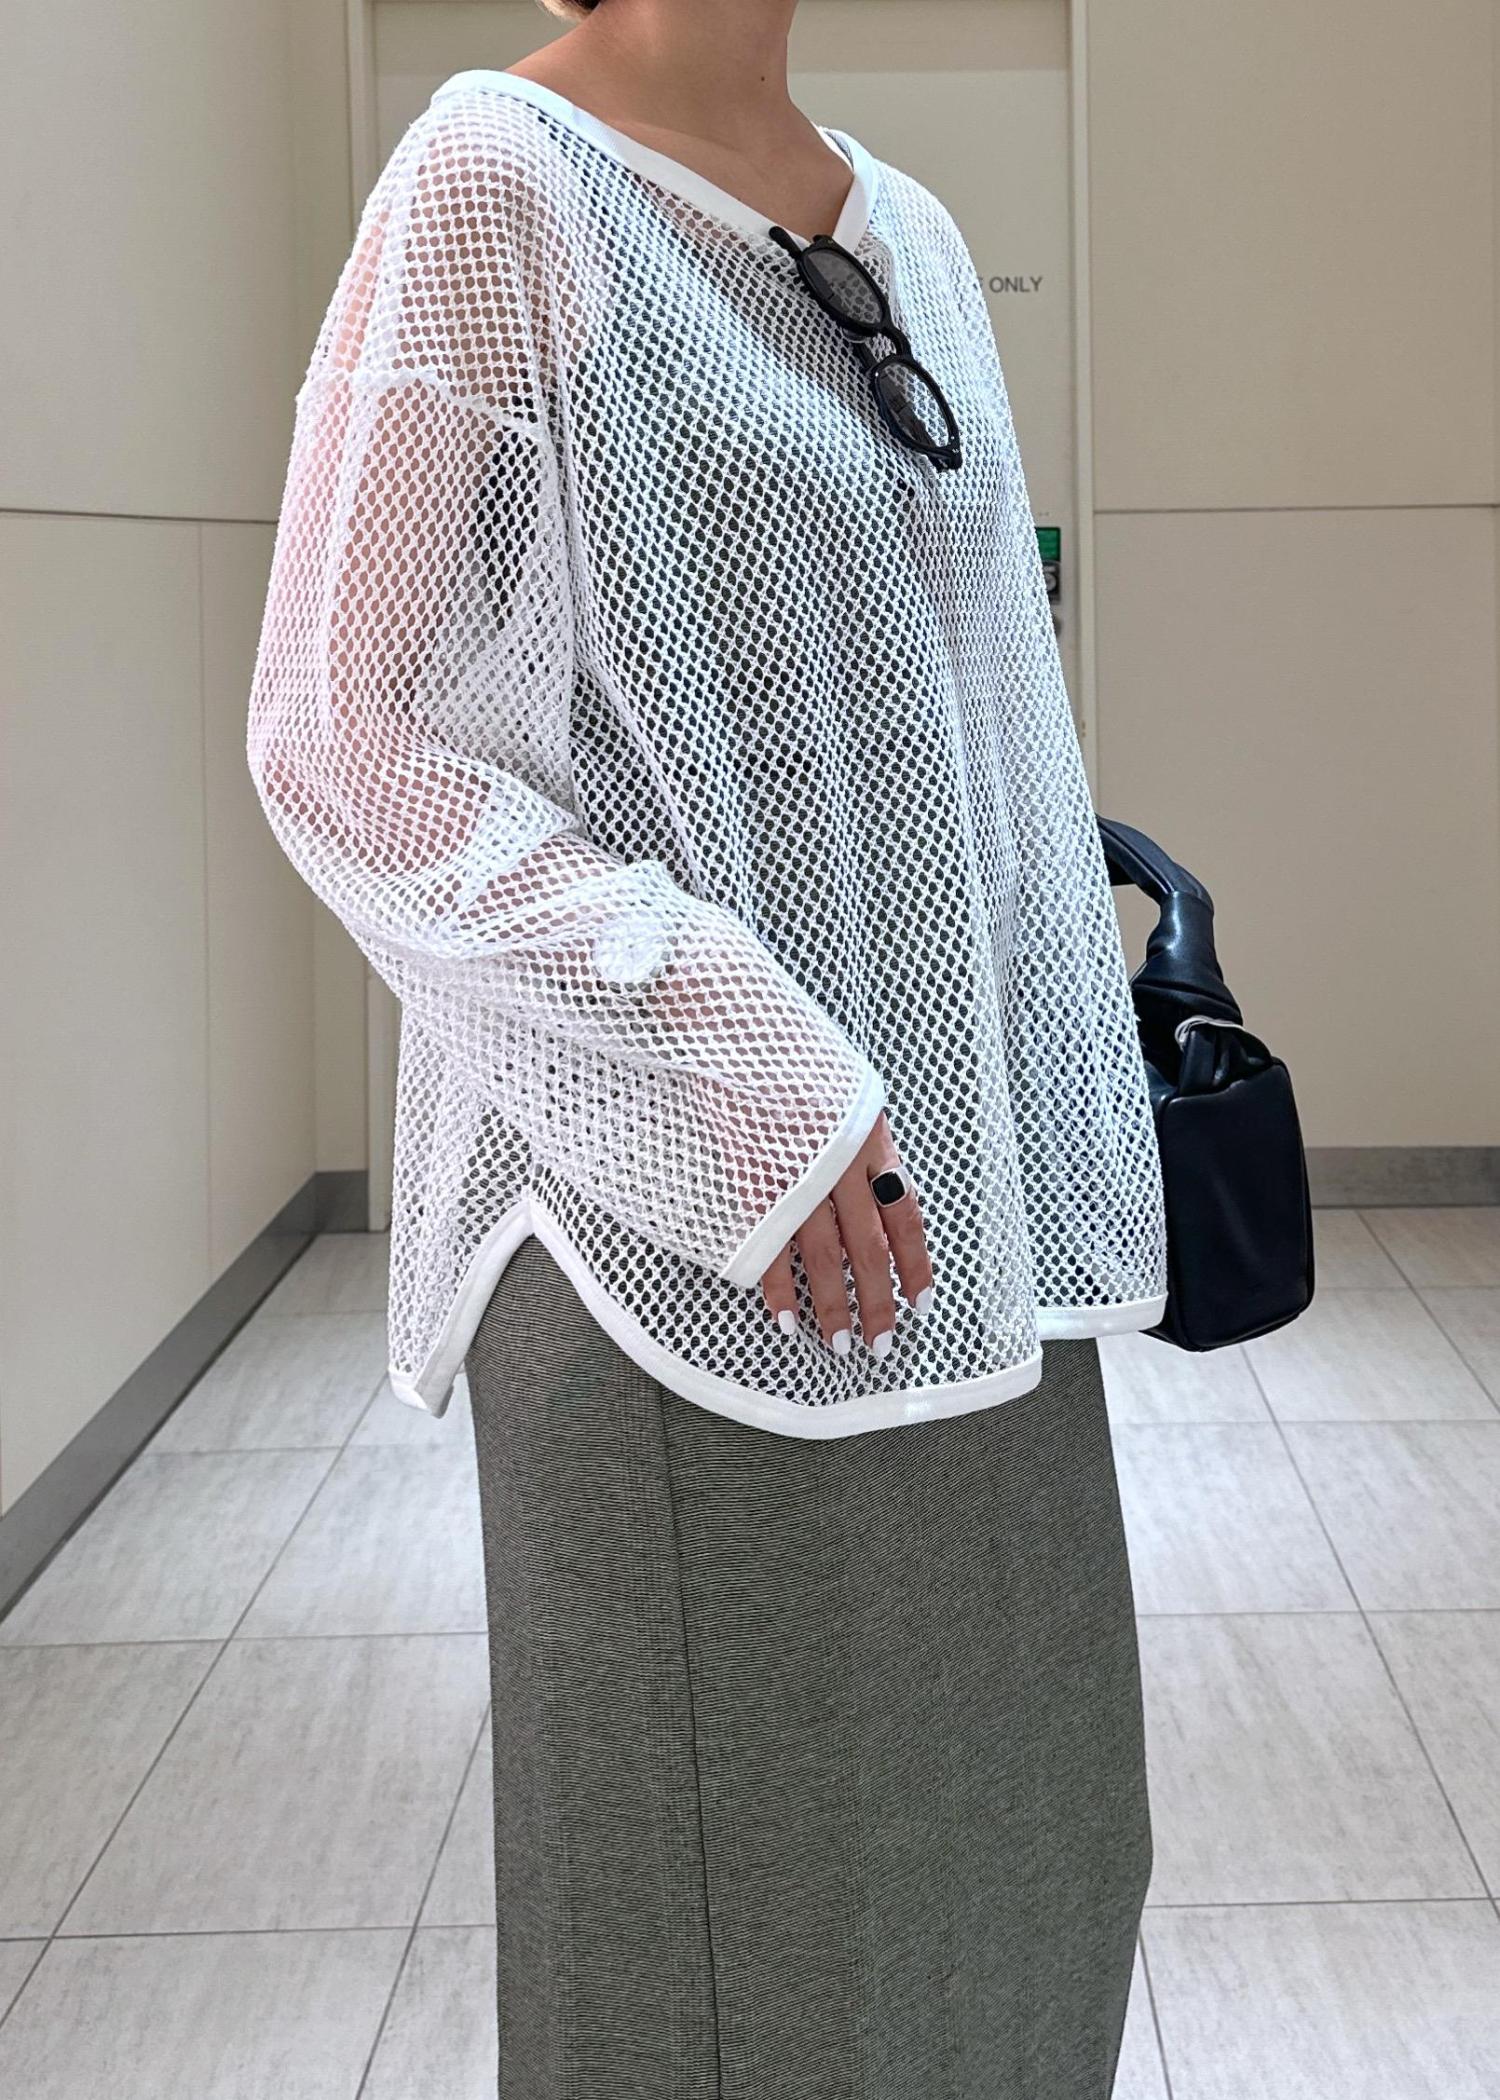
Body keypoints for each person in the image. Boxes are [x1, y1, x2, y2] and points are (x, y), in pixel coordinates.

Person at [246, 0, 1169, 2091]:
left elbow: (979, 725)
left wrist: (1041, 1106)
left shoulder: (907, 230)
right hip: (677, 1236)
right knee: (740, 1962)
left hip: (959, 1224)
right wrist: (737, 1067)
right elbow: (345, 737)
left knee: (1031, 1867)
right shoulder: (495, 182)